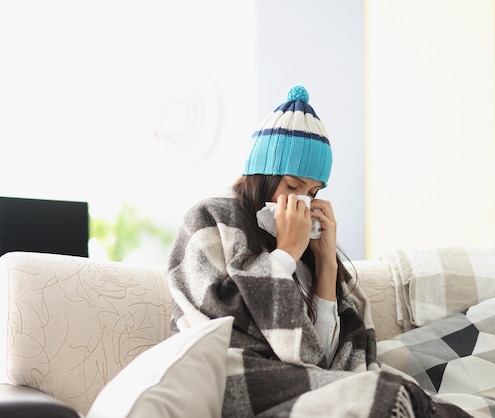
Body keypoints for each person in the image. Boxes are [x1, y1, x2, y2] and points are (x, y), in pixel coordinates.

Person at [167, 86, 469, 417]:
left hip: (306, 385)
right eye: (292, 186)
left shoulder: (309, 251)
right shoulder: (209, 218)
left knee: (418, 403)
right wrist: (284, 255)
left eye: (313, 191)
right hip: (237, 379)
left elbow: (321, 357)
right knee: (388, 395)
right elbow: (215, 320)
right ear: (261, 174)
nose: (302, 202)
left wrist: (326, 265)